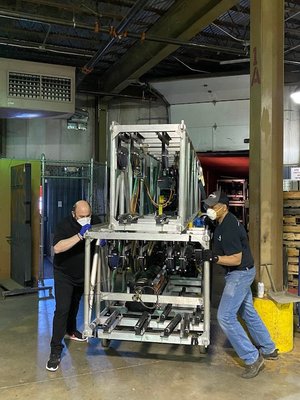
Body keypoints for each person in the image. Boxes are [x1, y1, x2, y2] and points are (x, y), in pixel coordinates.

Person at [202, 190, 278, 379]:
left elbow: (236, 259)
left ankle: (253, 358)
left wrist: (214, 257)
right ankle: (268, 348)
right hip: (244, 272)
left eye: (213, 207)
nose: (209, 209)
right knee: (247, 311)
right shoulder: (222, 221)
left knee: (225, 317)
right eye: (208, 206)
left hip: (239, 274)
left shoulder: (229, 228)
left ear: (224, 208)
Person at [46, 200, 94, 372]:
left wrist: (102, 243)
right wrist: (80, 236)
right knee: (62, 310)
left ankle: (71, 331)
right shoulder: (64, 225)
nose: (86, 219)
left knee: (75, 305)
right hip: (64, 274)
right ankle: (55, 351)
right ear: (74, 214)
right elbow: (57, 248)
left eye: (88, 216)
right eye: (82, 216)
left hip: (82, 274)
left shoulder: (91, 224)